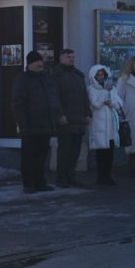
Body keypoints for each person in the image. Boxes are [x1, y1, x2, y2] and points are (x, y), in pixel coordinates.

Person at [12, 51, 61, 193]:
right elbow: (18, 103)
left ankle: (40, 182)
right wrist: (23, 124)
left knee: (41, 156)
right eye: (38, 62)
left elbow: (53, 98)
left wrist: (56, 116)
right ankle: (28, 184)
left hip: (45, 124)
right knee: (29, 156)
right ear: (30, 63)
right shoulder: (22, 79)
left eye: (41, 61)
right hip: (30, 125)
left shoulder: (45, 78)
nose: (41, 64)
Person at [51, 49, 91, 188]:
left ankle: (71, 176)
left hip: (78, 119)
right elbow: (55, 98)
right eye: (68, 57)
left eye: (73, 57)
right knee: (64, 151)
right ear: (61, 58)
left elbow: (84, 97)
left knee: (75, 151)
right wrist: (60, 115)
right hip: (65, 120)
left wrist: (87, 114)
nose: (71, 59)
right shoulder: (56, 76)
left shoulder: (78, 75)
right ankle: (61, 178)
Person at [87, 65, 122, 186]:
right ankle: (101, 176)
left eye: (102, 74)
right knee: (101, 152)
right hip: (99, 125)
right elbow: (96, 104)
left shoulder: (112, 88)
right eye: (98, 75)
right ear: (94, 77)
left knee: (110, 152)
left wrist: (111, 102)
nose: (101, 77)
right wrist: (105, 92)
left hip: (111, 124)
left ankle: (108, 175)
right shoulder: (91, 89)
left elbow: (119, 104)